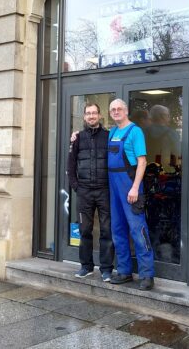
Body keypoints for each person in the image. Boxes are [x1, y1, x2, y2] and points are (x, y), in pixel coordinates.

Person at [107, 98, 155, 290]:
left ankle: (147, 274)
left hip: (130, 187)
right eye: (113, 109)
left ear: (126, 111)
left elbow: (142, 162)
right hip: (113, 188)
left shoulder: (135, 132)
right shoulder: (111, 132)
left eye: (119, 109)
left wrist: (135, 187)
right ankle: (124, 271)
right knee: (117, 230)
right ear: (110, 113)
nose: (116, 111)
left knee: (138, 229)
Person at [67, 103, 114, 282]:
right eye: (88, 113)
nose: (92, 116)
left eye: (94, 113)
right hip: (84, 192)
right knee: (84, 230)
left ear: (100, 116)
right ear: (84, 117)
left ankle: (106, 269)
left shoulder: (108, 137)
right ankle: (86, 266)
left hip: (104, 191)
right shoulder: (77, 138)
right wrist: (76, 187)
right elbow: (70, 165)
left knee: (106, 230)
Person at [145, 105, 180, 172]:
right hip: (165, 172)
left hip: (146, 170)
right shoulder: (172, 134)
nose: (169, 118)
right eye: (168, 115)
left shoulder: (143, 132)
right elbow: (177, 153)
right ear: (162, 116)